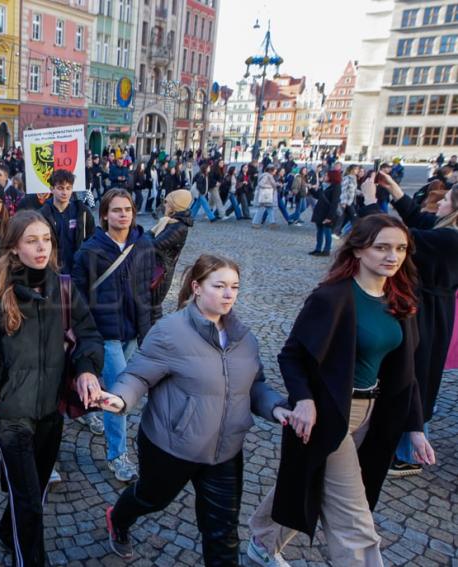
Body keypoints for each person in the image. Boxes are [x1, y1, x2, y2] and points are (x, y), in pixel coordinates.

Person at [247, 214, 436, 567]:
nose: (392, 256)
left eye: (400, 248)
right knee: (354, 516)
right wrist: (303, 400)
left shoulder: (401, 298)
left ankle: (262, 540)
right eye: (382, 247)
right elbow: (292, 355)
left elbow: (406, 373)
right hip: (330, 413)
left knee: (308, 479)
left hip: (373, 415)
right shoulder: (332, 297)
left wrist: (415, 427)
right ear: (359, 249)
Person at [99, 254, 289, 563]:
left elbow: (254, 386)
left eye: (235, 287)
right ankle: (118, 518)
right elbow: (137, 374)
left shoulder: (245, 339)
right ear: (196, 287)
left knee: (223, 534)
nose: (229, 294)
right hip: (171, 446)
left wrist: (276, 408)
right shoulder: (169, 332)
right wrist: (120, 399)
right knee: (150, 498)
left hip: (225, 451)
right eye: (220, 286)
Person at [0, 211, 104, 566]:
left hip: (51, 411)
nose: (41, 247)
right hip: (11, 415)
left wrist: (86, 370)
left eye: (46, 240)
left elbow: (89, 336)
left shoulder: (64, 288)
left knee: (34, 493)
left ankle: (9, 534)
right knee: (27, 500)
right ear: (14, 248)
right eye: (31, 240)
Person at [361, 174, 458, 476]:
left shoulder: (449, 239)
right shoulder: (446, 233)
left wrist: (369, 201)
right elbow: (418, 220)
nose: (439, 201)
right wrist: (397, 193)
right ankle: (409, 444)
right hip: (436, 309)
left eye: (446, 200)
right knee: (420, 372)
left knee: (413, 372)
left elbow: (391, 238)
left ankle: (408, 453)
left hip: (426, 312)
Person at [72, 189, 154, 482]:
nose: (123, 215)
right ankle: (117, 454)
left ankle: (85, 408)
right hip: (104, 332)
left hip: (132, 330)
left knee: (107, 384)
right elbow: (77, 297)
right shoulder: (89, 251)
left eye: (128, 210)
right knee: (119, 394)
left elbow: (147, 292)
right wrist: (85, 332)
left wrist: (149, 330)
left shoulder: (143, 245)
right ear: (104, 214)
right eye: (117, 210)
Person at [38, 169, 95, 275]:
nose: (64, 192)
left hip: (77, 269)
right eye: (60, 188)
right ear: (52, 189)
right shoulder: (42, 215)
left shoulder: (82, 212)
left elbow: (92, 238)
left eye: (68, 188)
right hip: (52, 271)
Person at [148, 190, 193, 322]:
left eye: (167, 202)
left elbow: (155, 244)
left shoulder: (179, 226)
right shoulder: (170, 221)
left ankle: (156, 337)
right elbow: (150, 235)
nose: (165, 205)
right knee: (149, 306)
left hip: (162, 273)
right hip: (157, 267)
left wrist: (140, 238)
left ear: (174, 205)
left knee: (154, 308)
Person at [309, 167, 341, 256]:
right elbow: (319, 196)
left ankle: (326, 250)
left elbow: (334, 203)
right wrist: (311, 189)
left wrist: (329, 217)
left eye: (327, 175)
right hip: (320, 211)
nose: (325, 176)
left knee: (327, 231)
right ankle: (318, 249)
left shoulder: (336, 187)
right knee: (319, 231)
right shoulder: (327, 185)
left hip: (327, 213)